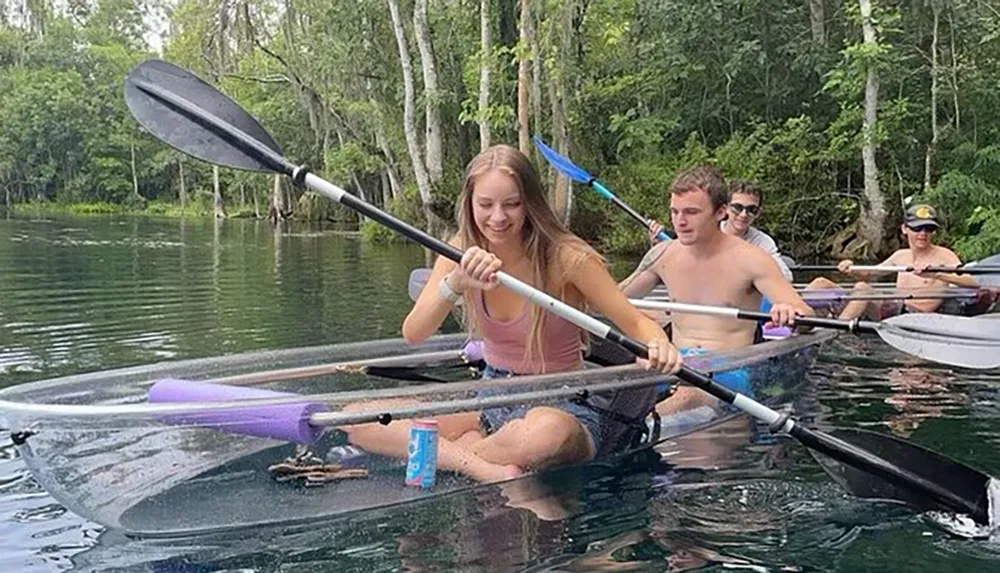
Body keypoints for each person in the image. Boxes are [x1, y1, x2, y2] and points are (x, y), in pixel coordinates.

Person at [341, 145, 682, 484]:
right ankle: (482, 466)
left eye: (512, 204)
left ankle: (460, 453)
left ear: (531, 204)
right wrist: (456, 282)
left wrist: (659, 344)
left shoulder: (567, 257)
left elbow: (636, 322)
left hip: (562, 403)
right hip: (493, 399)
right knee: (355, 418)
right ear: (470, 203)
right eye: (485, 205)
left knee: (548, 434)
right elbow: (414, 333)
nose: (498, 217)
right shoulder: (458, 250)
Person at [614, 167, 814, 414]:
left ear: (721, 212)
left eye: (691, 212)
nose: (680, 222)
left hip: (728, 371)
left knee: (689, 396)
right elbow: (613, 300)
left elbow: (805, 316)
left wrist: (789, 312)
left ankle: (639, 431)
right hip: (673, 363)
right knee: (619, 389)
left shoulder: (752, 259)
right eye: (674, 212)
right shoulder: (662, 255)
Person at [805, 204, 989, 320]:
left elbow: (975, 282)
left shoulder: (944, 256)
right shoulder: (900, 256)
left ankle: (836, 334)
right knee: (821, 283)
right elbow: (869, 274)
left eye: (928, 229)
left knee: (863, 288)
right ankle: (796, 322)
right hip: (892, 308)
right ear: (905, 229)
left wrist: (938, 273)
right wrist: (851, 268)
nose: (922, 233)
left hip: (914, 316)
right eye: (917, 228)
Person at [620, 179, 793, 296]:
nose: (743, 214)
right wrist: (659, 249)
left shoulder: (760, 248)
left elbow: (785, 279)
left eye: (751, 210)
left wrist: (746, 274)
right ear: (724, 210)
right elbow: (620, 295)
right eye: (737, 207)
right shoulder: (686, 242)